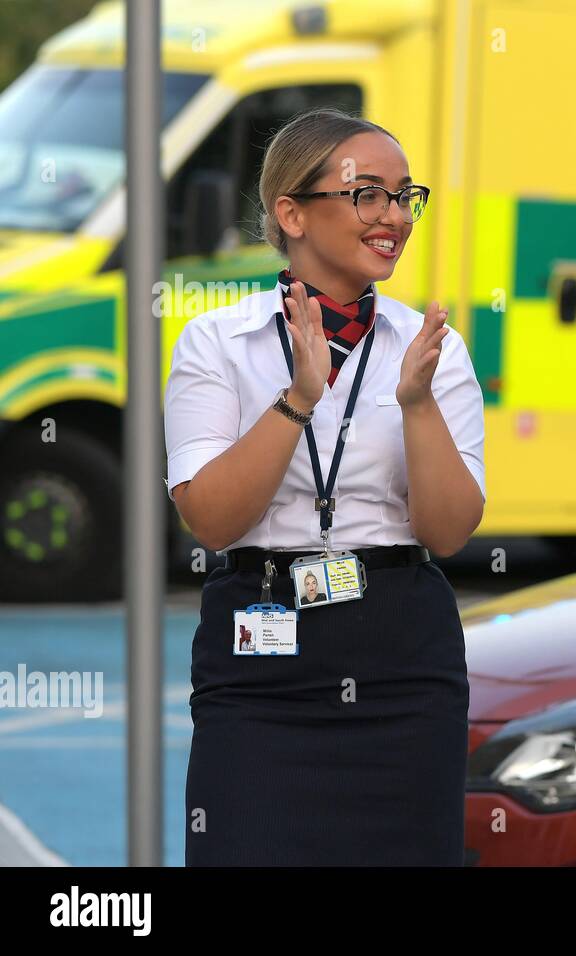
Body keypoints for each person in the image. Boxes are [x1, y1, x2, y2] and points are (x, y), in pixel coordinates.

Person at [164, 106, 486, 866]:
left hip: (404, 658)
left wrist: (417, 405)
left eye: (405, 195)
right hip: (261, 656)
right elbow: (210, 520)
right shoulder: (217, 341)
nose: (394, 217)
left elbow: (449, 532)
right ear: (292, 214)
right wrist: (296, 401)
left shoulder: (429, 346)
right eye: (367, 193)